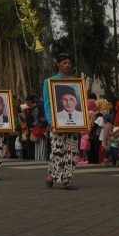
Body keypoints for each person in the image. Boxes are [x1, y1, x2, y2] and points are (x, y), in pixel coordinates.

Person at [43, 53, 79, 190]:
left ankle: (66, 180)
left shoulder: (75, 82)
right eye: (64, 63)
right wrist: (51, 121)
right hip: (57, 122)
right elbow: (47, 103)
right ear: (58, 64)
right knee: (57, 151)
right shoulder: (49, 81)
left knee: (71, 150)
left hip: (73, 122)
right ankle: (52, 174)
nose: (67, 65)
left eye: (69, 63)